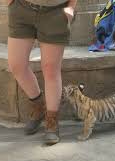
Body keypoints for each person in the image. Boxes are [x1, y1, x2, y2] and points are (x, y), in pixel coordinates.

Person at [7, 0, 76, 145]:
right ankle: (39, 107)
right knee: (17, 65)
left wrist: (71, 7)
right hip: (21, 9)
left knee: (51, 69)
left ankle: (51, 121)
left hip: (56, 11)